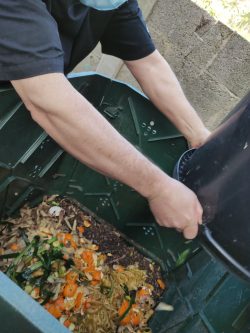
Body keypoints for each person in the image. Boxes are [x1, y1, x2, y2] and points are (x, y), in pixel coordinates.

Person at [0, 0, 210, 239]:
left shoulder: (112, 3)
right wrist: (158, 187)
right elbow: (49, 99)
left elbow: (148, 63)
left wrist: (198, 134)